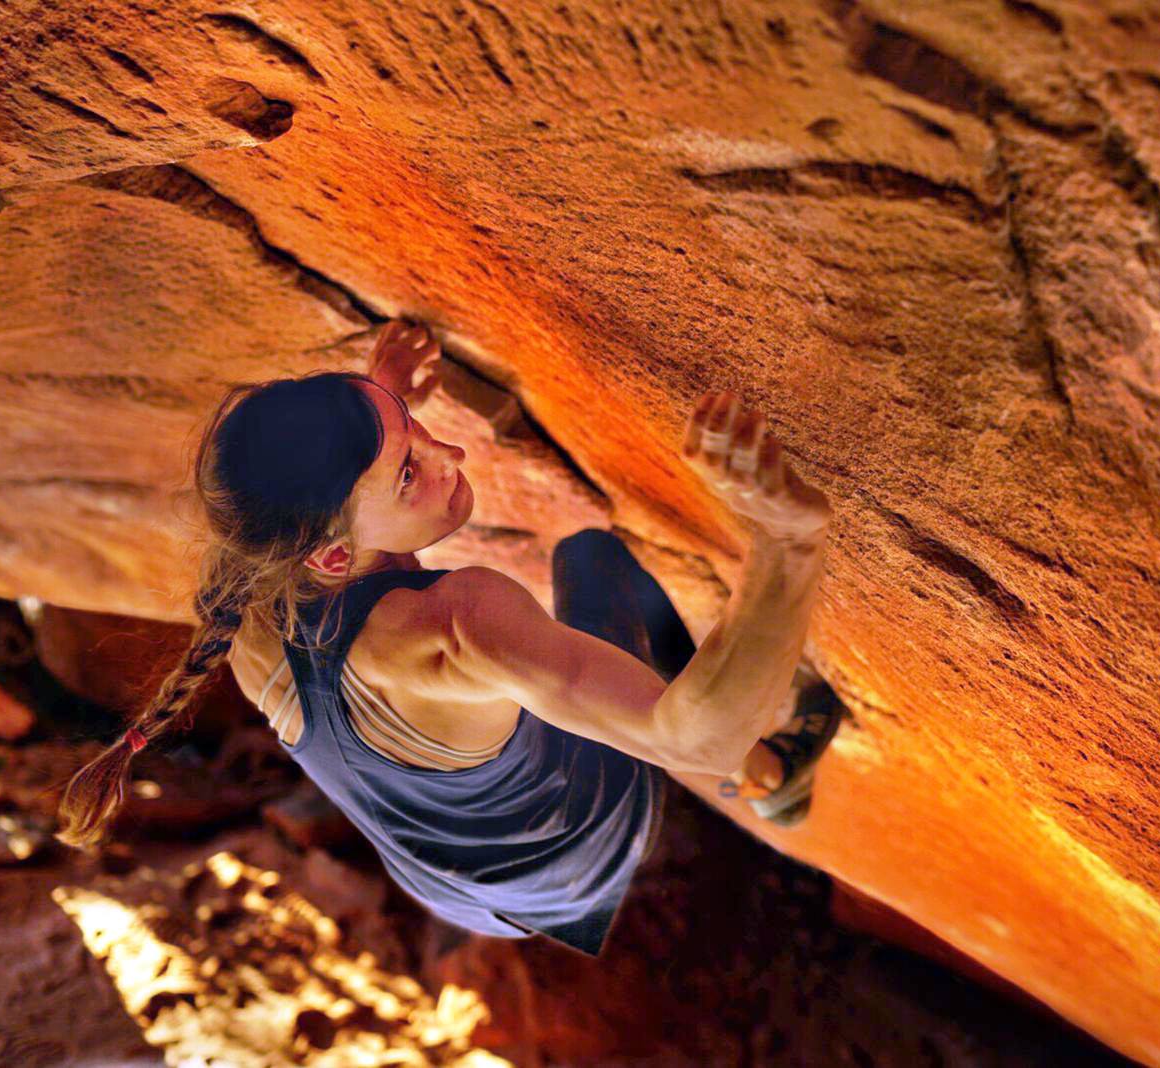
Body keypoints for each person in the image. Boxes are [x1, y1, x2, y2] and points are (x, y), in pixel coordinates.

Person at [54, 320, 841, 956]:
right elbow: (692, 738)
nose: (451, 455)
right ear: (334, 555)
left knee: (549, 672)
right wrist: (787, 543)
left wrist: (381, 401)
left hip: (454, 891)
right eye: (409, 471)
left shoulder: (243, 595)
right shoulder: (456, 626)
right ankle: (773, 773)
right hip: (574, 856)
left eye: (413, 434)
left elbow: (332, 499)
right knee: (594, 561)